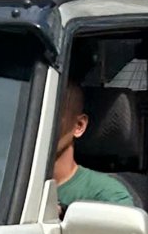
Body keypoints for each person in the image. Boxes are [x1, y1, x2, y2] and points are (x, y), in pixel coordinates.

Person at [53, 79, 135, 208]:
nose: (34, 125)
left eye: (51, 115)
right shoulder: (13, 188)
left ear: (78, 126)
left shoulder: (108, 196)